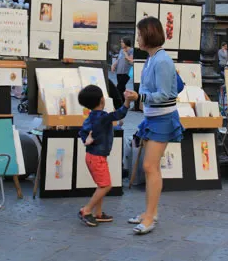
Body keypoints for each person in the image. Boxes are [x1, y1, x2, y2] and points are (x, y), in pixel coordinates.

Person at [129, 16, 184, 235]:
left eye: (140, 34)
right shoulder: (154, 58)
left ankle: (150, 216)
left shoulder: (161, 60)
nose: (138, 38)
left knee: (150, 167)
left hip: (162, 118)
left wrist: (139, 97)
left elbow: (167, 94)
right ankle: (150, 212)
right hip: (154, 117)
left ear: (149, 35)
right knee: (152, 167)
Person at [77, 85, 137, 227]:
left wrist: (87, 141)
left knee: (101, 185)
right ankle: (86, 210)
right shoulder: (103, 117)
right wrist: (127, 101)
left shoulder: (92, 117)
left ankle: (98, 213)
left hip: (93, 156)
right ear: (102, 100)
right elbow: (119, 114)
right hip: (97, 157)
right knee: (105, 186)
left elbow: (85, 132)